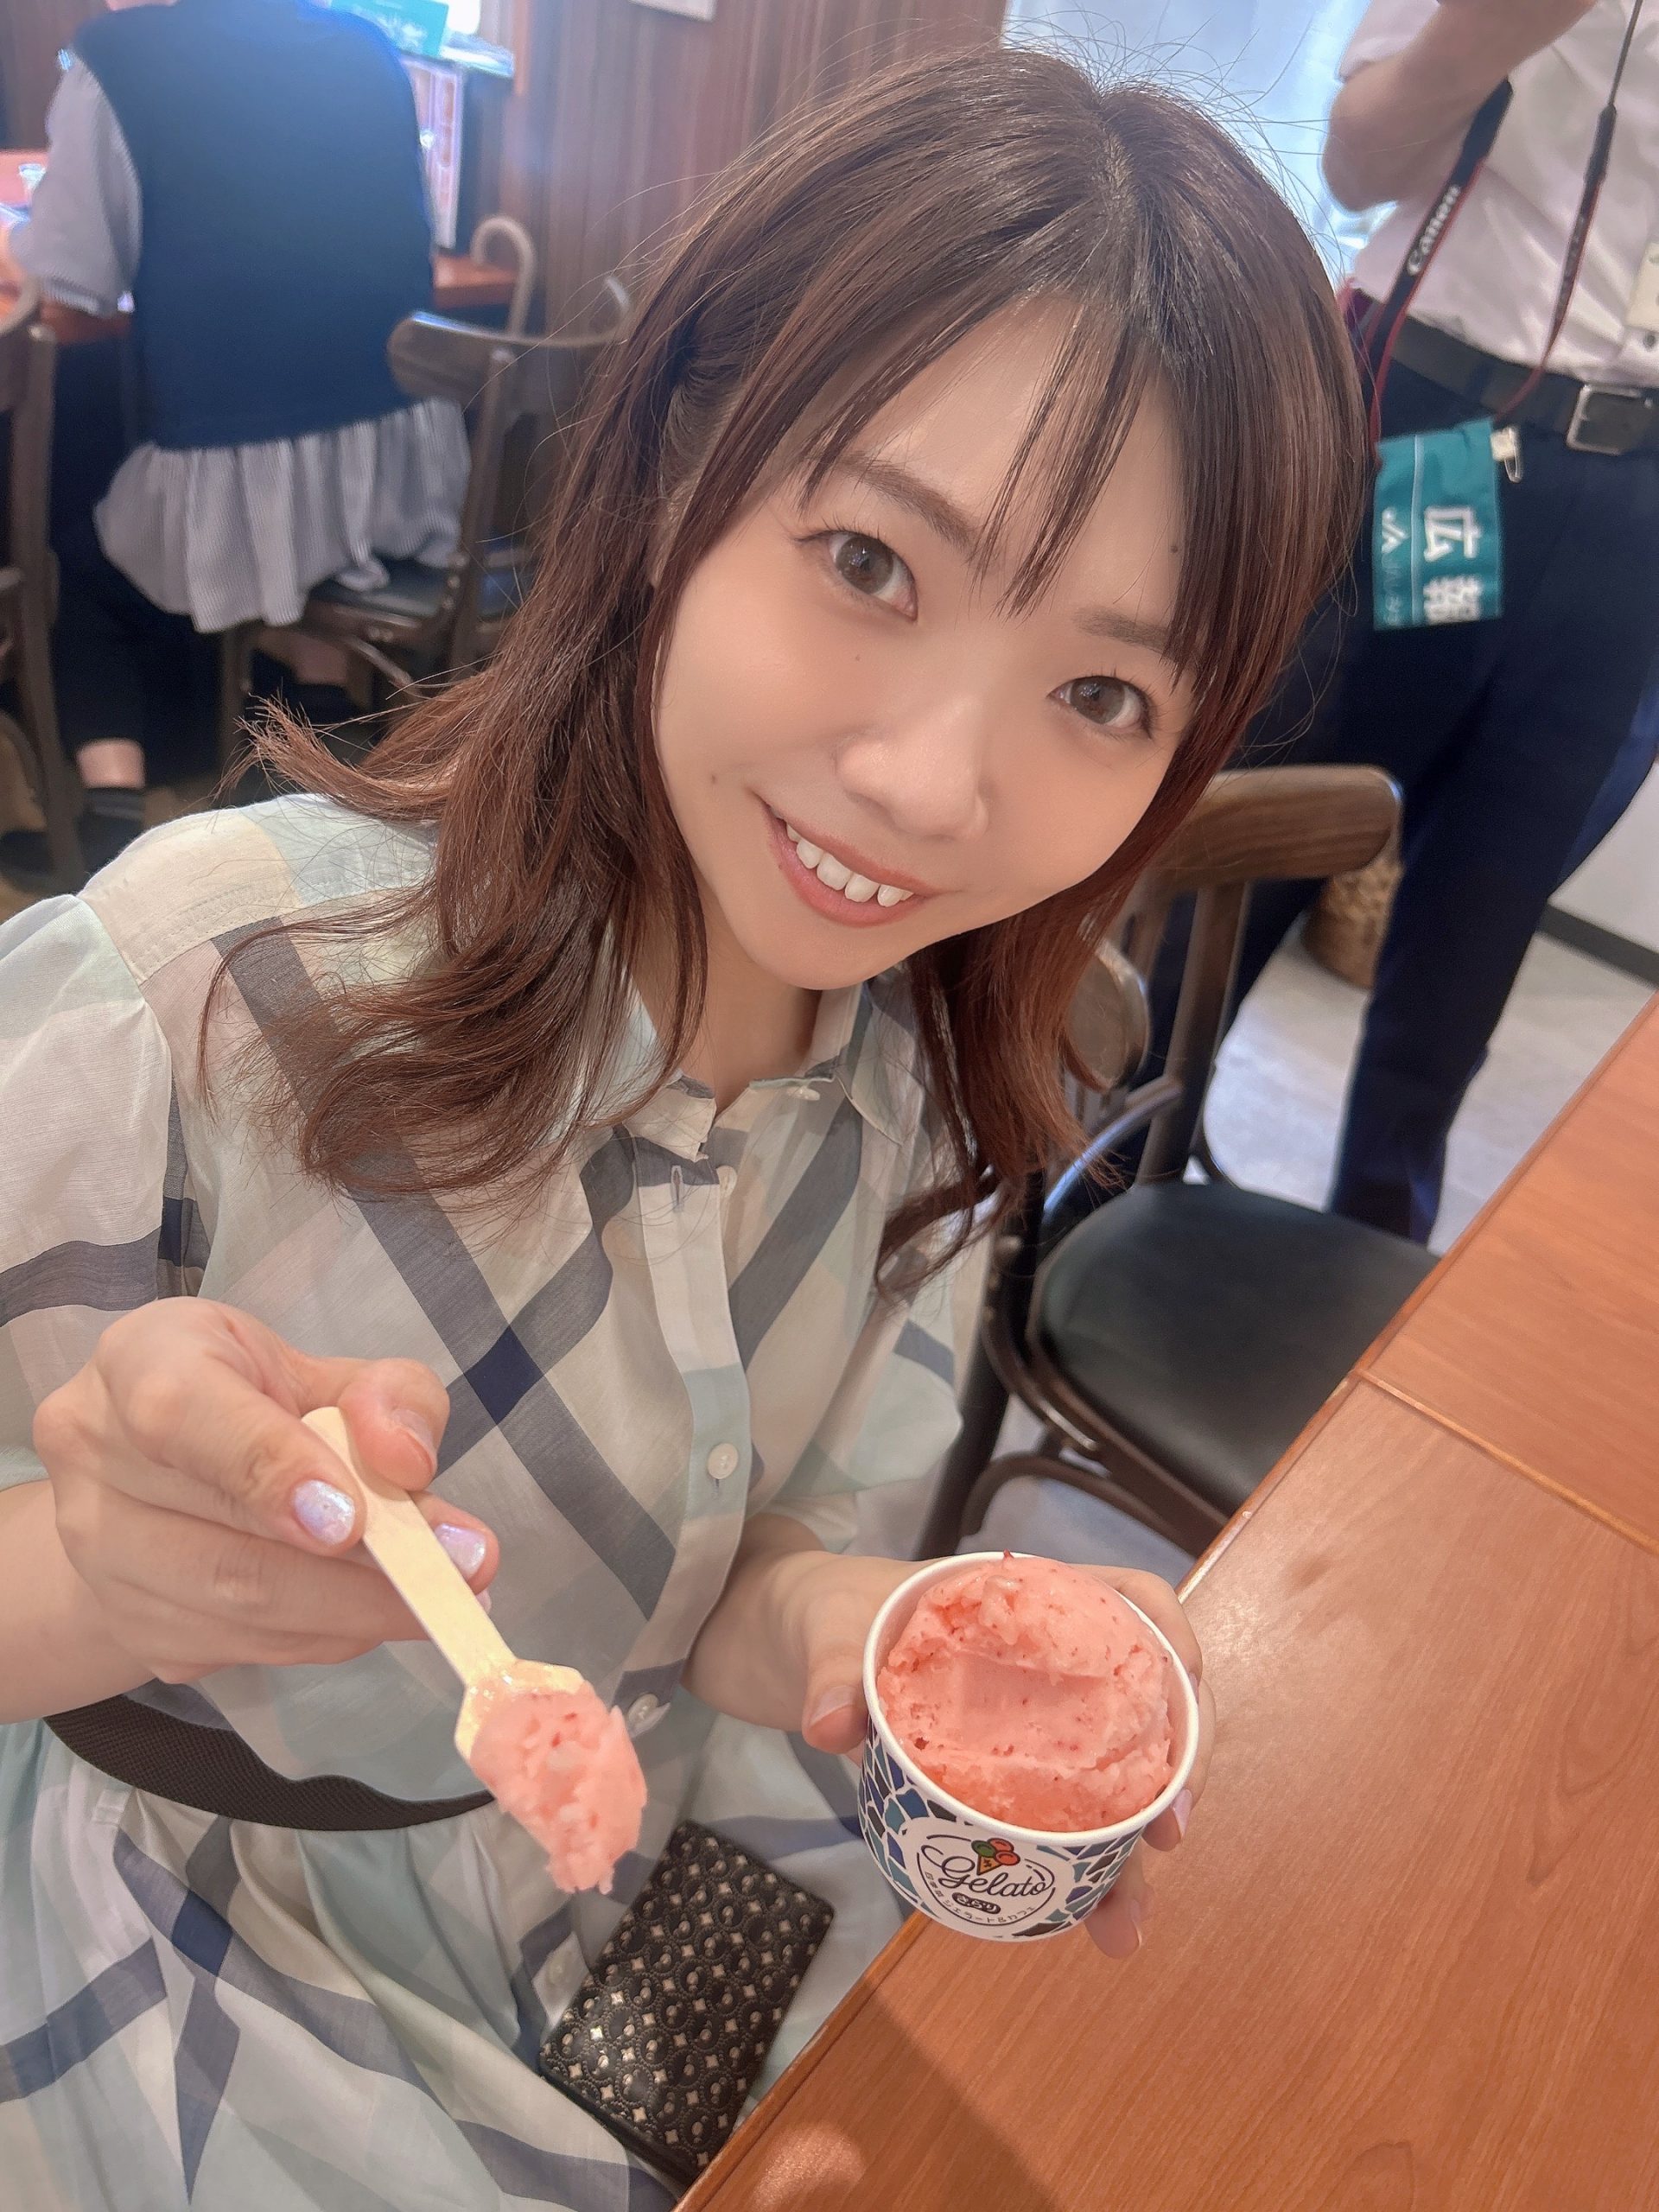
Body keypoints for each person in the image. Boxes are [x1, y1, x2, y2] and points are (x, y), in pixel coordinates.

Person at [0, 48, 1361, 2212]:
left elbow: (741, 1579)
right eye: (869, 559)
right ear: (666, 476)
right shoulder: (202, 985)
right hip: (197, 1936)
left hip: (622, 1876)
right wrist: (91, 1570)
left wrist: (837, 1628)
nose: (933, 785)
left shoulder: (919, 1092)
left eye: (1101, 692)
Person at [1200, 0, 1659, 1244]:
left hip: (1635, 502)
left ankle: (1377, 1247)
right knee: (1282, 821)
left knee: (1486, 913)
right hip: (1447, 442)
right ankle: (1111, 1169)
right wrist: (1488, 35)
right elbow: (1358, 165)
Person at [0, 0, 468, 888]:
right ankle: (317, 737)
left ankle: (110, 820)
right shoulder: (366, 44)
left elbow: (75, 277)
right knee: (308, 543)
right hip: (403, 455)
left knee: (83, 569)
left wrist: (24, 233)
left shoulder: (119, 55)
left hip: (238, 454)